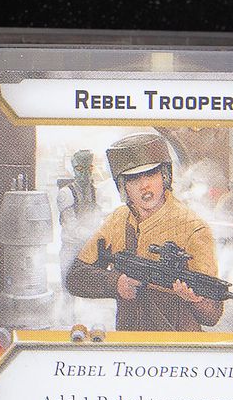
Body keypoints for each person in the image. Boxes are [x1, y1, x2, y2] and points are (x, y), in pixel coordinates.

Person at [64, 132, 224, 332]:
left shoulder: (193, 228)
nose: (144, 185)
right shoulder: (118, 220)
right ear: (123, 186)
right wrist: (116, 283)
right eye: (133, 178)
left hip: (177, 343)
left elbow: (212, 316)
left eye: (151, 174)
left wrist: (196, 300)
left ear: (165, 176)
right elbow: (75, 277)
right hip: (130, 341)